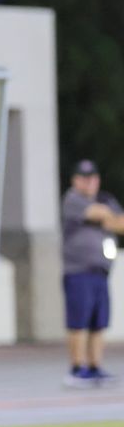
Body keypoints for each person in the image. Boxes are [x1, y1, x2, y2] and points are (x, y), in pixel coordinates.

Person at [61, 159, 124, 387]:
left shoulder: (105, 198)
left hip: (101, 271)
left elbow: (120, 223)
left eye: (92, 178)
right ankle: (77, 369)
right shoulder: (72, 199)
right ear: (75, 180)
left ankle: (95, 366)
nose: (89, 183)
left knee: (99, 322)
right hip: (78, 271)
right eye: (84, 178)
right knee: (78, 321)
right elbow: (99, 215)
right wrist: (108, 217)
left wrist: (108, 217)